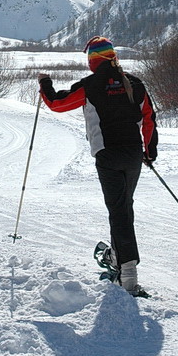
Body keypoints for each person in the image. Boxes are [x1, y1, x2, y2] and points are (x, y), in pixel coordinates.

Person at [38, 36, 158, 295]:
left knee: (119, 211)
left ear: (92, 60)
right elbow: (149, 118)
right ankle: (118, 257)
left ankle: (128, 275)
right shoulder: (135, 84)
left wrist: (44, 83)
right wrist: (149, 152)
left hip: (108, 156)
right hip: (133, 155)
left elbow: (57, 104)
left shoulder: (90, 85)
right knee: (124, 207)